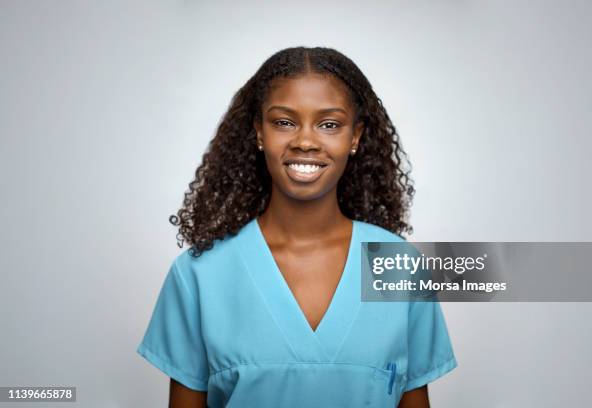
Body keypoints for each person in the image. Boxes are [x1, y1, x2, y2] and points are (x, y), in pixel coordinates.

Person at [136, 46, 457, 407]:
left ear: (355, 136)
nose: (305, 140)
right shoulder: (199, 274)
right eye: (284, 122)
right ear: (259, 133)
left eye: (330, 124)